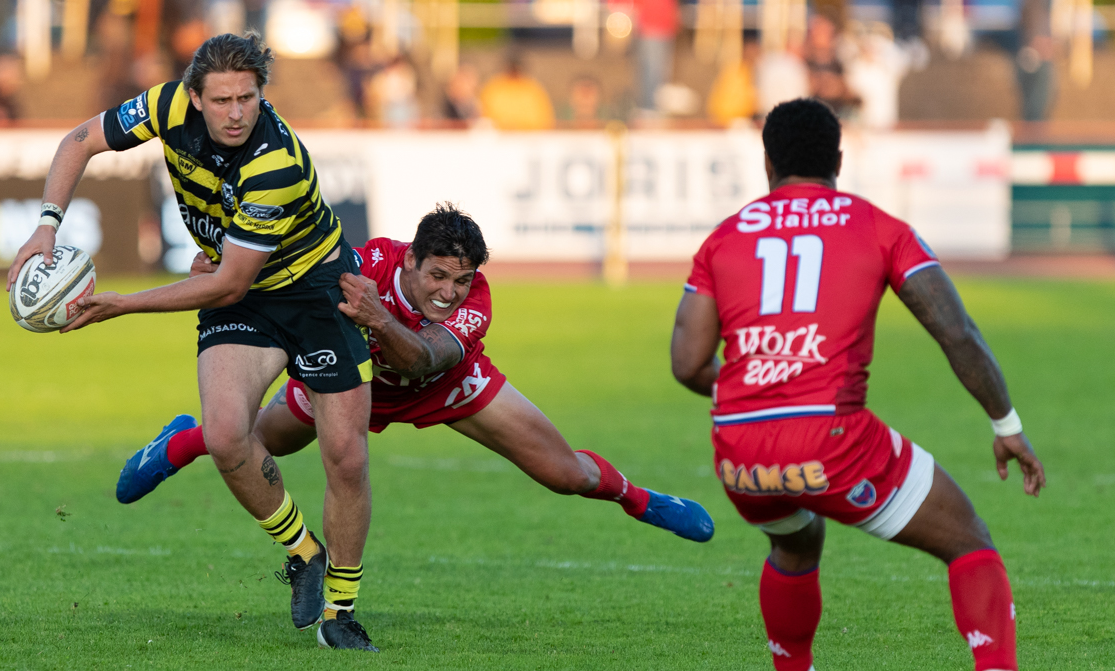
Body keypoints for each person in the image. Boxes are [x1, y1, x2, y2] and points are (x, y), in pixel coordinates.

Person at [669, 98, 1053, 671]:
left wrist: (755, 386)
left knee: (795, 540)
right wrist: (1005, 423)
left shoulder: (724, 237)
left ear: (767, 162)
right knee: (968, 540)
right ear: (839, 161)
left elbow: (686, 363)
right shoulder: (878, 226)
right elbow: (955, 331)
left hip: (738, 447)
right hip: (833, 439)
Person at [118, 205, 715, 593]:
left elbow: (426, 359)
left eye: (461, 280)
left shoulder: (476, 301)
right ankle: (183, 439)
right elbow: (289, 277)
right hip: (352, 383)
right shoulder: (367, 263)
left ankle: (641, 500)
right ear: (409, 260)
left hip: (445, 386)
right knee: (244, 443)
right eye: (438, 277)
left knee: (565, 475)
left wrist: (380, 320)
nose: (450, 292)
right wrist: (220, 268)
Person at [5, 33, 378, 650]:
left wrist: (121, 304)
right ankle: (304, 552)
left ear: (261, 94)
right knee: (227, 434)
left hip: (315, 291)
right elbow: (79, 141)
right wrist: (46, 226)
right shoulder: (166, 104)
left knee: (346, 457)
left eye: (247, 98)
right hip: (246, 294)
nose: (236, 113)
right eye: (222, 100)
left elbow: (229, 283)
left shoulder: (275, 162)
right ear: (195, 97)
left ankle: (340, 614)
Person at [478, 53, 554, 131]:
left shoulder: (532, 89)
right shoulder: (493, 87)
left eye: (516, 68)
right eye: (511, 68)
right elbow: (484, 115)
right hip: (499, 135)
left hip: (529, 134)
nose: (513, 71)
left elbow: (543, 119)